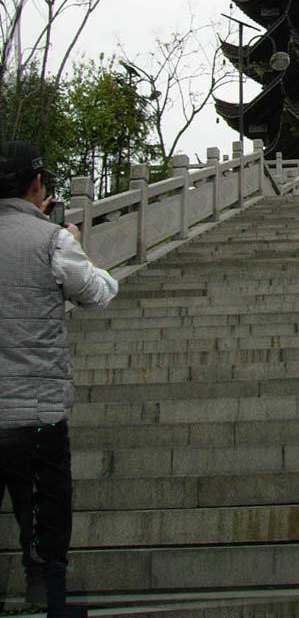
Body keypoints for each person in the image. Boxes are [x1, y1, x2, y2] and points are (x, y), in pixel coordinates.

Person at [0, 142, 118, 618]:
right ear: (37, 185)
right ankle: (51, 597)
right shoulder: (52, 240)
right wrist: (72, 239)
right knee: (48, 504)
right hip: (39, 411)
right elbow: (97, 294)